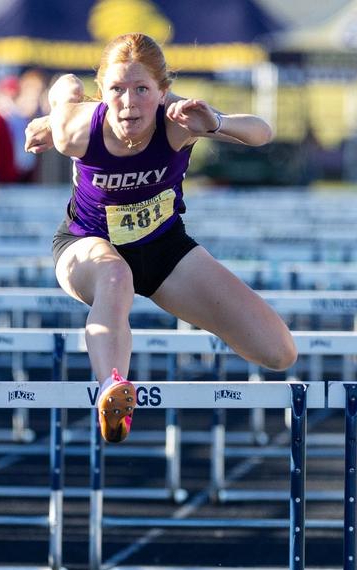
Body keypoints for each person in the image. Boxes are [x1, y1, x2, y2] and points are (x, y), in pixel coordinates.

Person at [28, 33, 297, 443]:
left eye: (142, 90)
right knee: (116, 278)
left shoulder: (177, 120)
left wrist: (217, 124)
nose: (130, 103)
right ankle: (113, 389)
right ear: (102, 93)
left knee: (278, 351)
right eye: (117, 90)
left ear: (162, 92)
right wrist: (57, 111)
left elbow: (262, 132)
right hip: (86, 245)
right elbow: (62, 95)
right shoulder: (76, 131)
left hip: (163, 248)